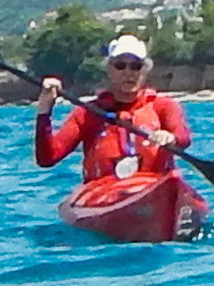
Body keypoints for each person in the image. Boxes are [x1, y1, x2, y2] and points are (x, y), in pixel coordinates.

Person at [36, 35, 195, 181]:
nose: (128, 73)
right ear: (109, 69)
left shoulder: (163, 106)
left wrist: (170, 138)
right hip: (104, 193)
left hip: (155, 187)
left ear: (144, 70)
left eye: (135, 66)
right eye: (120, 66)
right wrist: (44, 111)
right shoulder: (88, 113)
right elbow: (47, 158)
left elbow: (183, 136)